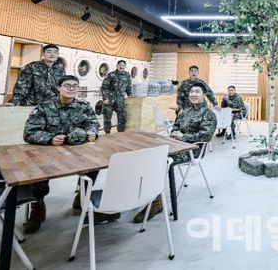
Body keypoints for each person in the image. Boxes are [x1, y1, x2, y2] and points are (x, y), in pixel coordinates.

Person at [22, 75, 118, 234]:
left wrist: (92, 133)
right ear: (58, 88)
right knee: (38, 173)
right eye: (67, 85)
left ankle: (82, 196)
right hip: (50, 151)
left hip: (78, 150)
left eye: (75, 86)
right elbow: (29, 132)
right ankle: (38, 206)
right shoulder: (44, 107)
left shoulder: (83, 106)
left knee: (95, 164)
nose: (71, 88)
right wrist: (50, 138)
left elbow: (93, 123)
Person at [134, 82, 217, 223]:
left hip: (192, 150)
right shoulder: (184, 110)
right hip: (175, 144)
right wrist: (174, 132)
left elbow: (205, 137)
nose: (193, 94)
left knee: (159, 160)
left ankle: (156, 202)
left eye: (197, 92)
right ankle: (142, 194)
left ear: (204, 95)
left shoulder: (208, 114)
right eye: (191, 92)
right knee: (145, 154)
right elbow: (176, 125)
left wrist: (183, 137)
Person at [101, 60, 133, 133]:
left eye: (123, 65)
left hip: (120, 100)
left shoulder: (127, 75)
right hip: (110, 100)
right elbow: (104, 86)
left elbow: (129, 86)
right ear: (117, 66)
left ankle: (120, 133)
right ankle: (107, 133)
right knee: (107, 117)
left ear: (125, 66)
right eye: (120, 65)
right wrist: (105, 98)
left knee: (122, 117)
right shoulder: (111, 75)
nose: (121, 67)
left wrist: (130, 95)